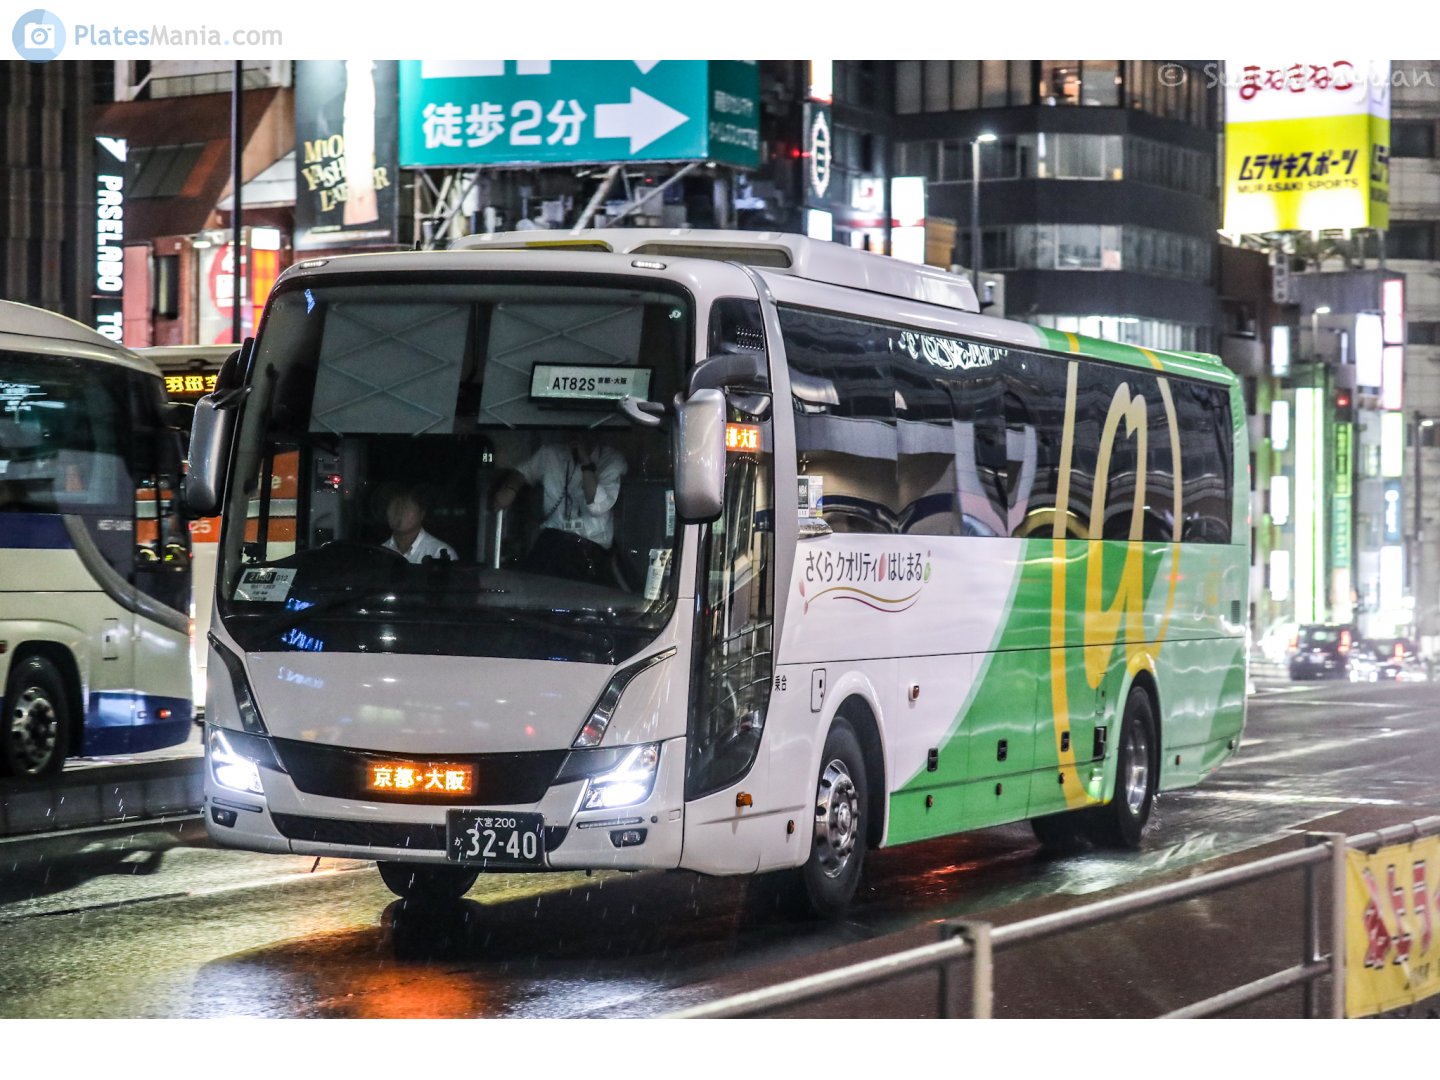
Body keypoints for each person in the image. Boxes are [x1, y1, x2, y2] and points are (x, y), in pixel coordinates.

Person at [492, 434, 626, 584]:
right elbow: (522, 472)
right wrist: (511, 488)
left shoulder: (611, 461)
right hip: (553, 540)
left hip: (589, 547)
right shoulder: (550, 454)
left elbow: (596, 507)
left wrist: (586, 465)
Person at [381, 486, 457, 564]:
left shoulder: (439, 554)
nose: (399, 511)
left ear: (422, 514)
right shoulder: (380, 552)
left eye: (406, 506)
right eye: (395, 505)